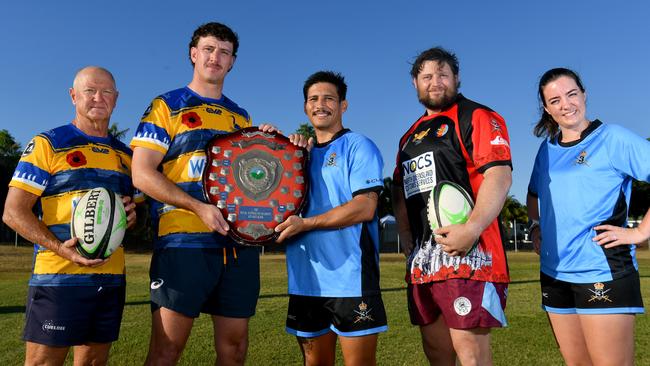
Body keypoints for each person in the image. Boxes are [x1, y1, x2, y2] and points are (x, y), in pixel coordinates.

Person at [130, 22, 304, 365]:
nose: (215, 57)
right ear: (193, 54)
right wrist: (198, 207)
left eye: (224, 52)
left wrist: (273, 144)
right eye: (208, 49)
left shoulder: (241, 117)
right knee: (167, 350)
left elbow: (259, 182)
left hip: (238, 247)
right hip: (184, 245)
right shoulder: (166, 106)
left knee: (235, 350)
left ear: (232, 62)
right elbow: (141, 173)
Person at [2, 66, 138, 366]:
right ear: (73, 95)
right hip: (58, 280)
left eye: (106, 91)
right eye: (90, 90)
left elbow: (130, 211)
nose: (98, 97)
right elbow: (13, 212)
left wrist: (129, 216)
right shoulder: (48, 143)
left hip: (110, 280)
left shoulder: (127, 157)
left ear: (116, 99)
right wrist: (60, 248)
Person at [391, 47, 512, 365]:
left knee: (470, 353)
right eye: (426, 76)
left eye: (442, 74)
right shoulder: (408, 136)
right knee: (436, 352)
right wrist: (405, 239)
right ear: (415, 84)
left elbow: (499, 176)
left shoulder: (477, 116)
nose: (435, 82)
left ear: (456, 79)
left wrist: (471, 229)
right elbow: (399, 191)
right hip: (424, 264)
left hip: (470, 259)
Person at [527, 67, 650, 366]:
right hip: (554, 274)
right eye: (554, 100)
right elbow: (533, 194)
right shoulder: (547, 150)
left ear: (584, 94)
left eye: (571, 94)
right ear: (546, 108)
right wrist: (535, 225)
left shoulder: (612, 138)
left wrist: (639, 233)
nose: (565, 104)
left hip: (601, 269)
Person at [275, 71, 387, 366]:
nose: (320, 104)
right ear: (305, 107)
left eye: (328, 98)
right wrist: (269, 143)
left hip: (350, 280)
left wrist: (307, 224)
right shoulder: (298, 154)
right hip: (306, 281)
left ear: (343, 106)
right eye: (313, 99)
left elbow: (365, 207)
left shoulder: (358, 145)